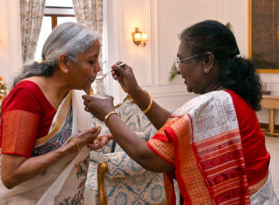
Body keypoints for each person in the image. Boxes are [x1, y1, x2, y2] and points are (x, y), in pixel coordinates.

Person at [82, 20, 279, 204]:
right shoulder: (228, 97)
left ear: (207, 61)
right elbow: (177, 129)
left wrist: (108, 114)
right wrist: (134, 90)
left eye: (181, 61)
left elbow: (148, 157)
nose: (179, 70)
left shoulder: (212, 103)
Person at [0, 22, 112, 205]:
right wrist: (73, 147)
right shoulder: (26, 95)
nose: (98, 68)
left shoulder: (74, 94)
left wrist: (88, 142)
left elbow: (69, 141)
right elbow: (10, 175)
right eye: (91, 61)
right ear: (64, 62)